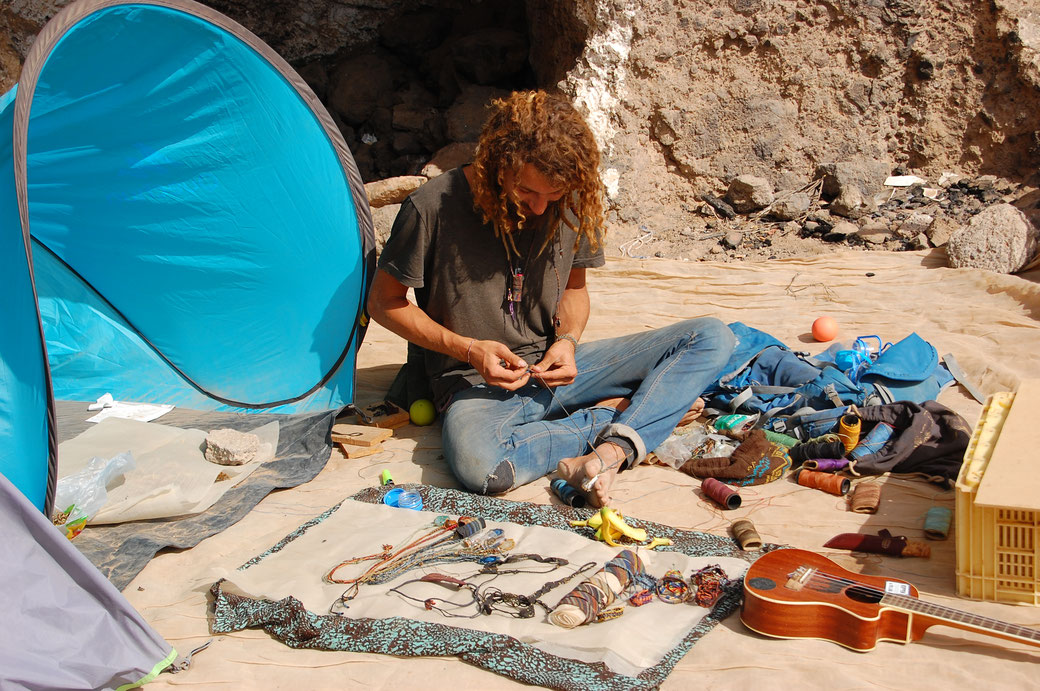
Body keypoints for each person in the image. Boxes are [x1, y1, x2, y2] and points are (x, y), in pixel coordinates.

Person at [367, 90, 735, 507]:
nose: (541, 209)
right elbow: (383, 302)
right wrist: (469, 350)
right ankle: (622, 415)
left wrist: (568, 341)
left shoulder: (571, 201)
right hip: (474, 382)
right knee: (482, 467)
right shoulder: (431, 205)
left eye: (552, 196)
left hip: (551, 373)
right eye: (527, 191)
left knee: (712, 337)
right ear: (499, 164)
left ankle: (614, 450)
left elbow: (574, 290)